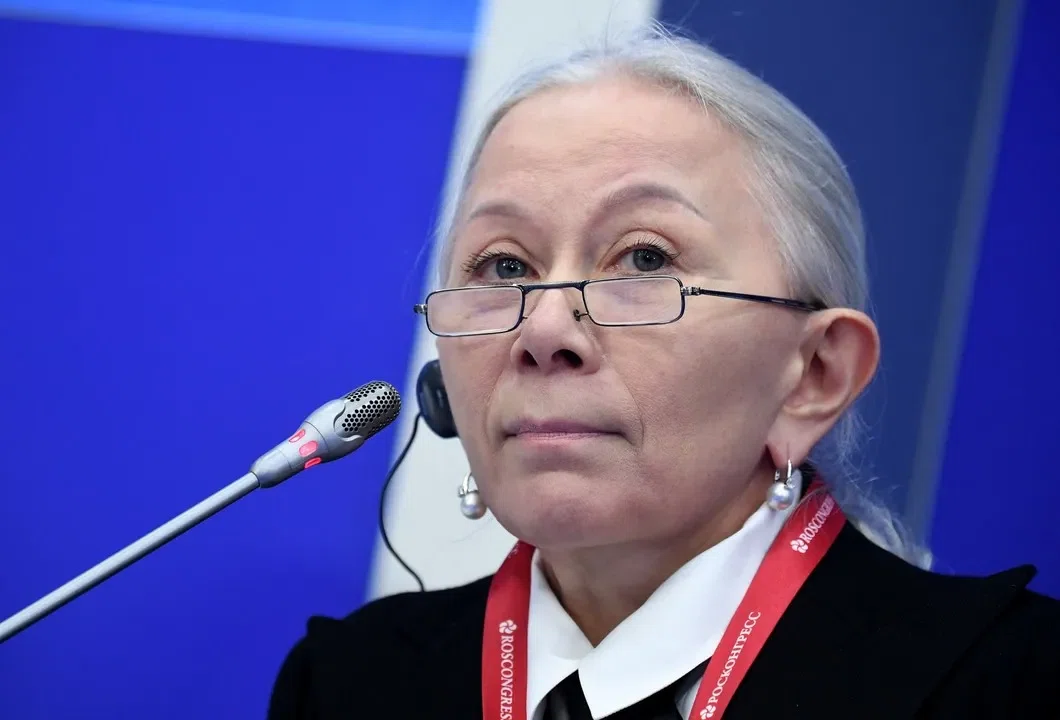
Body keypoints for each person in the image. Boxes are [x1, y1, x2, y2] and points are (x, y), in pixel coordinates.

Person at [267, 27, 1060, 719]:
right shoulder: (345, 686)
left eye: (644, 258)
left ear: (814, 375)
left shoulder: (1010, 682)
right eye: (504, 265)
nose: (544, 330)